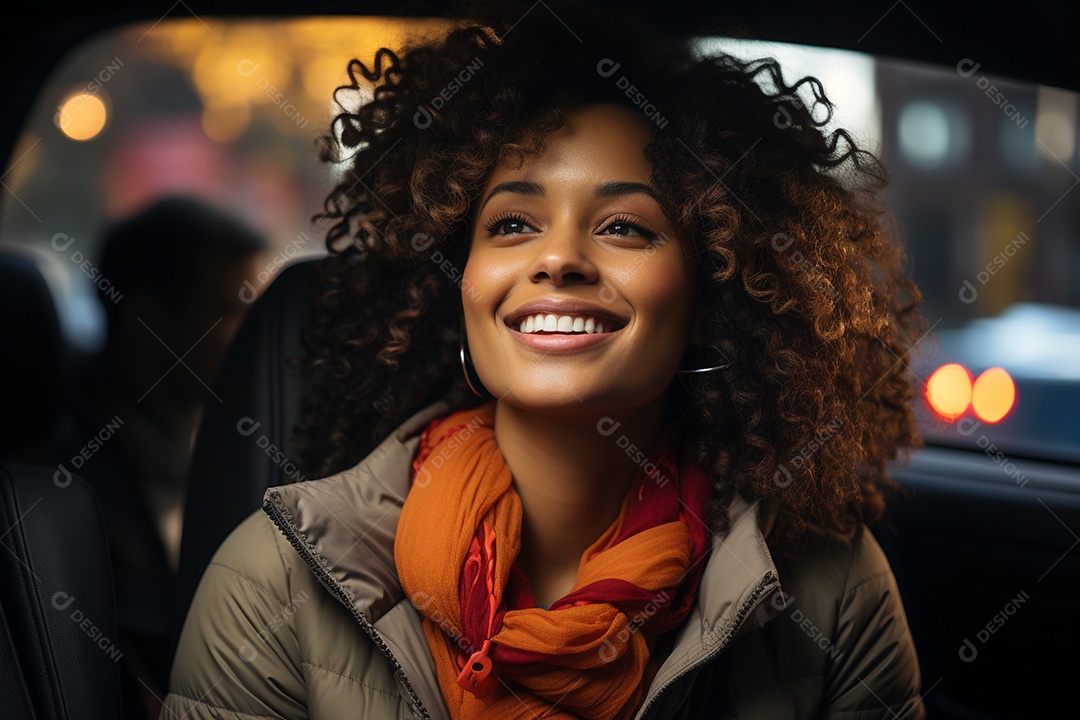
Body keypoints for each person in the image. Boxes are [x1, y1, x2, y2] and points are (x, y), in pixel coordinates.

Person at [162, 4, 928, 718]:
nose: (558, 258)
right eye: (513, 224)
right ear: (460, 285)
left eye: (624, 227)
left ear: (709, 303)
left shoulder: (832, 590)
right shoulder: (272, 585)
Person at [50, 196, 268, 719]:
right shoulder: (59, 487)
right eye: (231, 311)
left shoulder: (237, 451)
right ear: (147, 322)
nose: (256, 337)